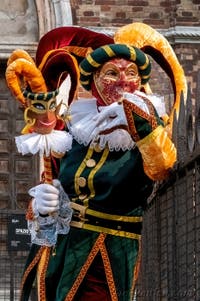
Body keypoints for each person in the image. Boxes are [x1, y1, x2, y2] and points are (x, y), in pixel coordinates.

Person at [6, 24, 186, 301]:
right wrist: (42, 206)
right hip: (61, 252)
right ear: (94, 80)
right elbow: (58, 181)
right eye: (111, 73)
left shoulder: (150, 127)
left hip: (109, 254)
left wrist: (139, 123)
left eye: (131, 73)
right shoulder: (77, 129)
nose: (122, 82)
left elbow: (161, 167)